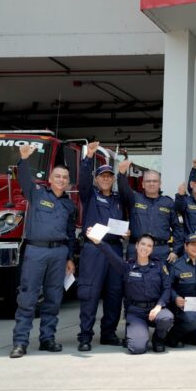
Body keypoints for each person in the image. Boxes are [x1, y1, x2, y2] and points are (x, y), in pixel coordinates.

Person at [9, 145, 77, 359]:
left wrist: (70, 258)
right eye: (57, 176)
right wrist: (24, 159)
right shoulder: (36, 193)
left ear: (68, 181)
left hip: (59, 254)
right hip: (35, 251)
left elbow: (70, 234)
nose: (61, 180)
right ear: (50, 178)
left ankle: (47, 338)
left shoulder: (69, 205)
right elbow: (24, 180)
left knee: (54, 298)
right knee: (28, 297)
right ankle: (20, 342)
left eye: (65, 177)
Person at [88, 232, 175, 354]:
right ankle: (136, 333)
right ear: (136, 245)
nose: (145, 248)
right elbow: (111, 255)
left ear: (152, 249)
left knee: (166, 318)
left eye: (149, 246)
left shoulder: (159, 266)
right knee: (137, 348)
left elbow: (167, 289)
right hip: (136, 313)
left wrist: (159, 306)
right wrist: (98, 242)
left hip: (155, 309)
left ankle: (158, 339)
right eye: (143, 244)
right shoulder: (127, 266)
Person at [76, 141, 125, 351]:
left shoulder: (118, 199)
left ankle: (108, 333)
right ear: (97, 180)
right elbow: (83, 181)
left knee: (114, 294)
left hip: (114, 249)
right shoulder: (90, 195)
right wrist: (88, 157)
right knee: (90, 293)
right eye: (102, 176)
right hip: (94, 250)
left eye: (109, 176)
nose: (105, 179)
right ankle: (85, 336)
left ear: (113, 180)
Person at [117, 159, 183, 261]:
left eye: (155, 181)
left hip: (160, 252)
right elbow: (123, 189)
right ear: (143, 184)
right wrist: (121, 173)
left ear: (160, 183)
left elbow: (178, 228)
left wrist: (175, 251)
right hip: (136, 250)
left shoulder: (168, 203)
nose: (151, 183)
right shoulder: (134, 198)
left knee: (161, 277)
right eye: (148, 181)